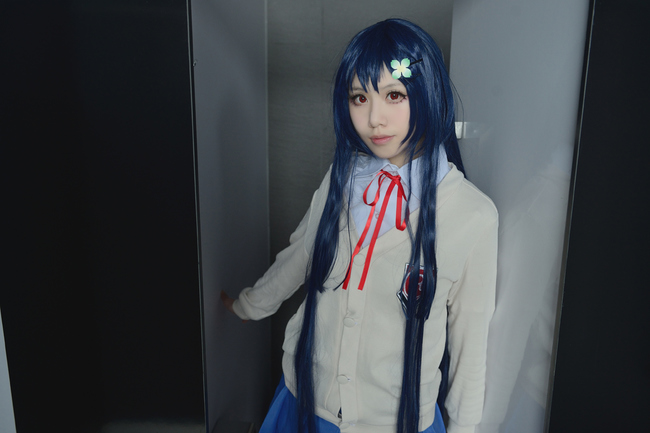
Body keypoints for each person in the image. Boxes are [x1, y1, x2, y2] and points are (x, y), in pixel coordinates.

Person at [221, 18, 498, 433]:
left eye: (394, 95)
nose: (373, 119)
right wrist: (249, 305)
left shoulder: (472, 215)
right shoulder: (342, 178)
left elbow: (469, 350)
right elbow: (300, 256)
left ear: (429, 93)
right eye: (359, 97)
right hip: (302, 402)